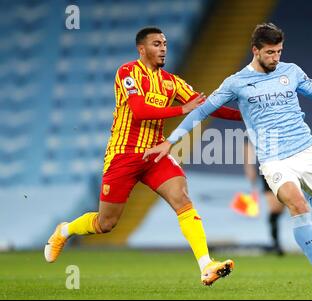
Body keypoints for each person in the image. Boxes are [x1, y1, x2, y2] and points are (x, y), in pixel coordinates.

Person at [143, 23, 312, 289]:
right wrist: (171, 141)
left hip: (306, 152)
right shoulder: (236, 82)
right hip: (273, 159)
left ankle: (308, 195)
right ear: (256, 50)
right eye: (271, 52)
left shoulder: (291, 72)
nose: (276, 57)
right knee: (297, 205)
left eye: (279, 52)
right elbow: (201, 111)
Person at [44, 27, 242, 286]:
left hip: (154, 154)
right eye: (157, 44)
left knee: (182, 198)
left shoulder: (172, 81)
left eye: (165, 44)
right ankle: (65, 230)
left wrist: (246, 116)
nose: (163, 49)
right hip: (123, 155)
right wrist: (182, 109)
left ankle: (206, 265)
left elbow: (206, 107)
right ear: (142, 49)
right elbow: (139, 111)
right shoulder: (128, 73)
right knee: (106, 223)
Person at [244, 141, 286, 256]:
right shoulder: (254, 130)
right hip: (268, 170)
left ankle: (305, 242)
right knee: (274, 209)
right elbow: (248, 147)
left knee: (284, 208)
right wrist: (249, 168)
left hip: (286, 168)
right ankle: (276, 244)